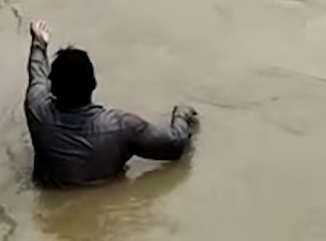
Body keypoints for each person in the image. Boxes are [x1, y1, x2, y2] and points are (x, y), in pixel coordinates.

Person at [25, 20, 199, 187]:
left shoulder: (38, 112)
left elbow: (37, 77)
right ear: (93, 84)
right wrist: (181, 115)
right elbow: (175, 145)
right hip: (104, 203)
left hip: (52, 194)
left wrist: (39, 43)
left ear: (53, 87)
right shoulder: (121, 126)